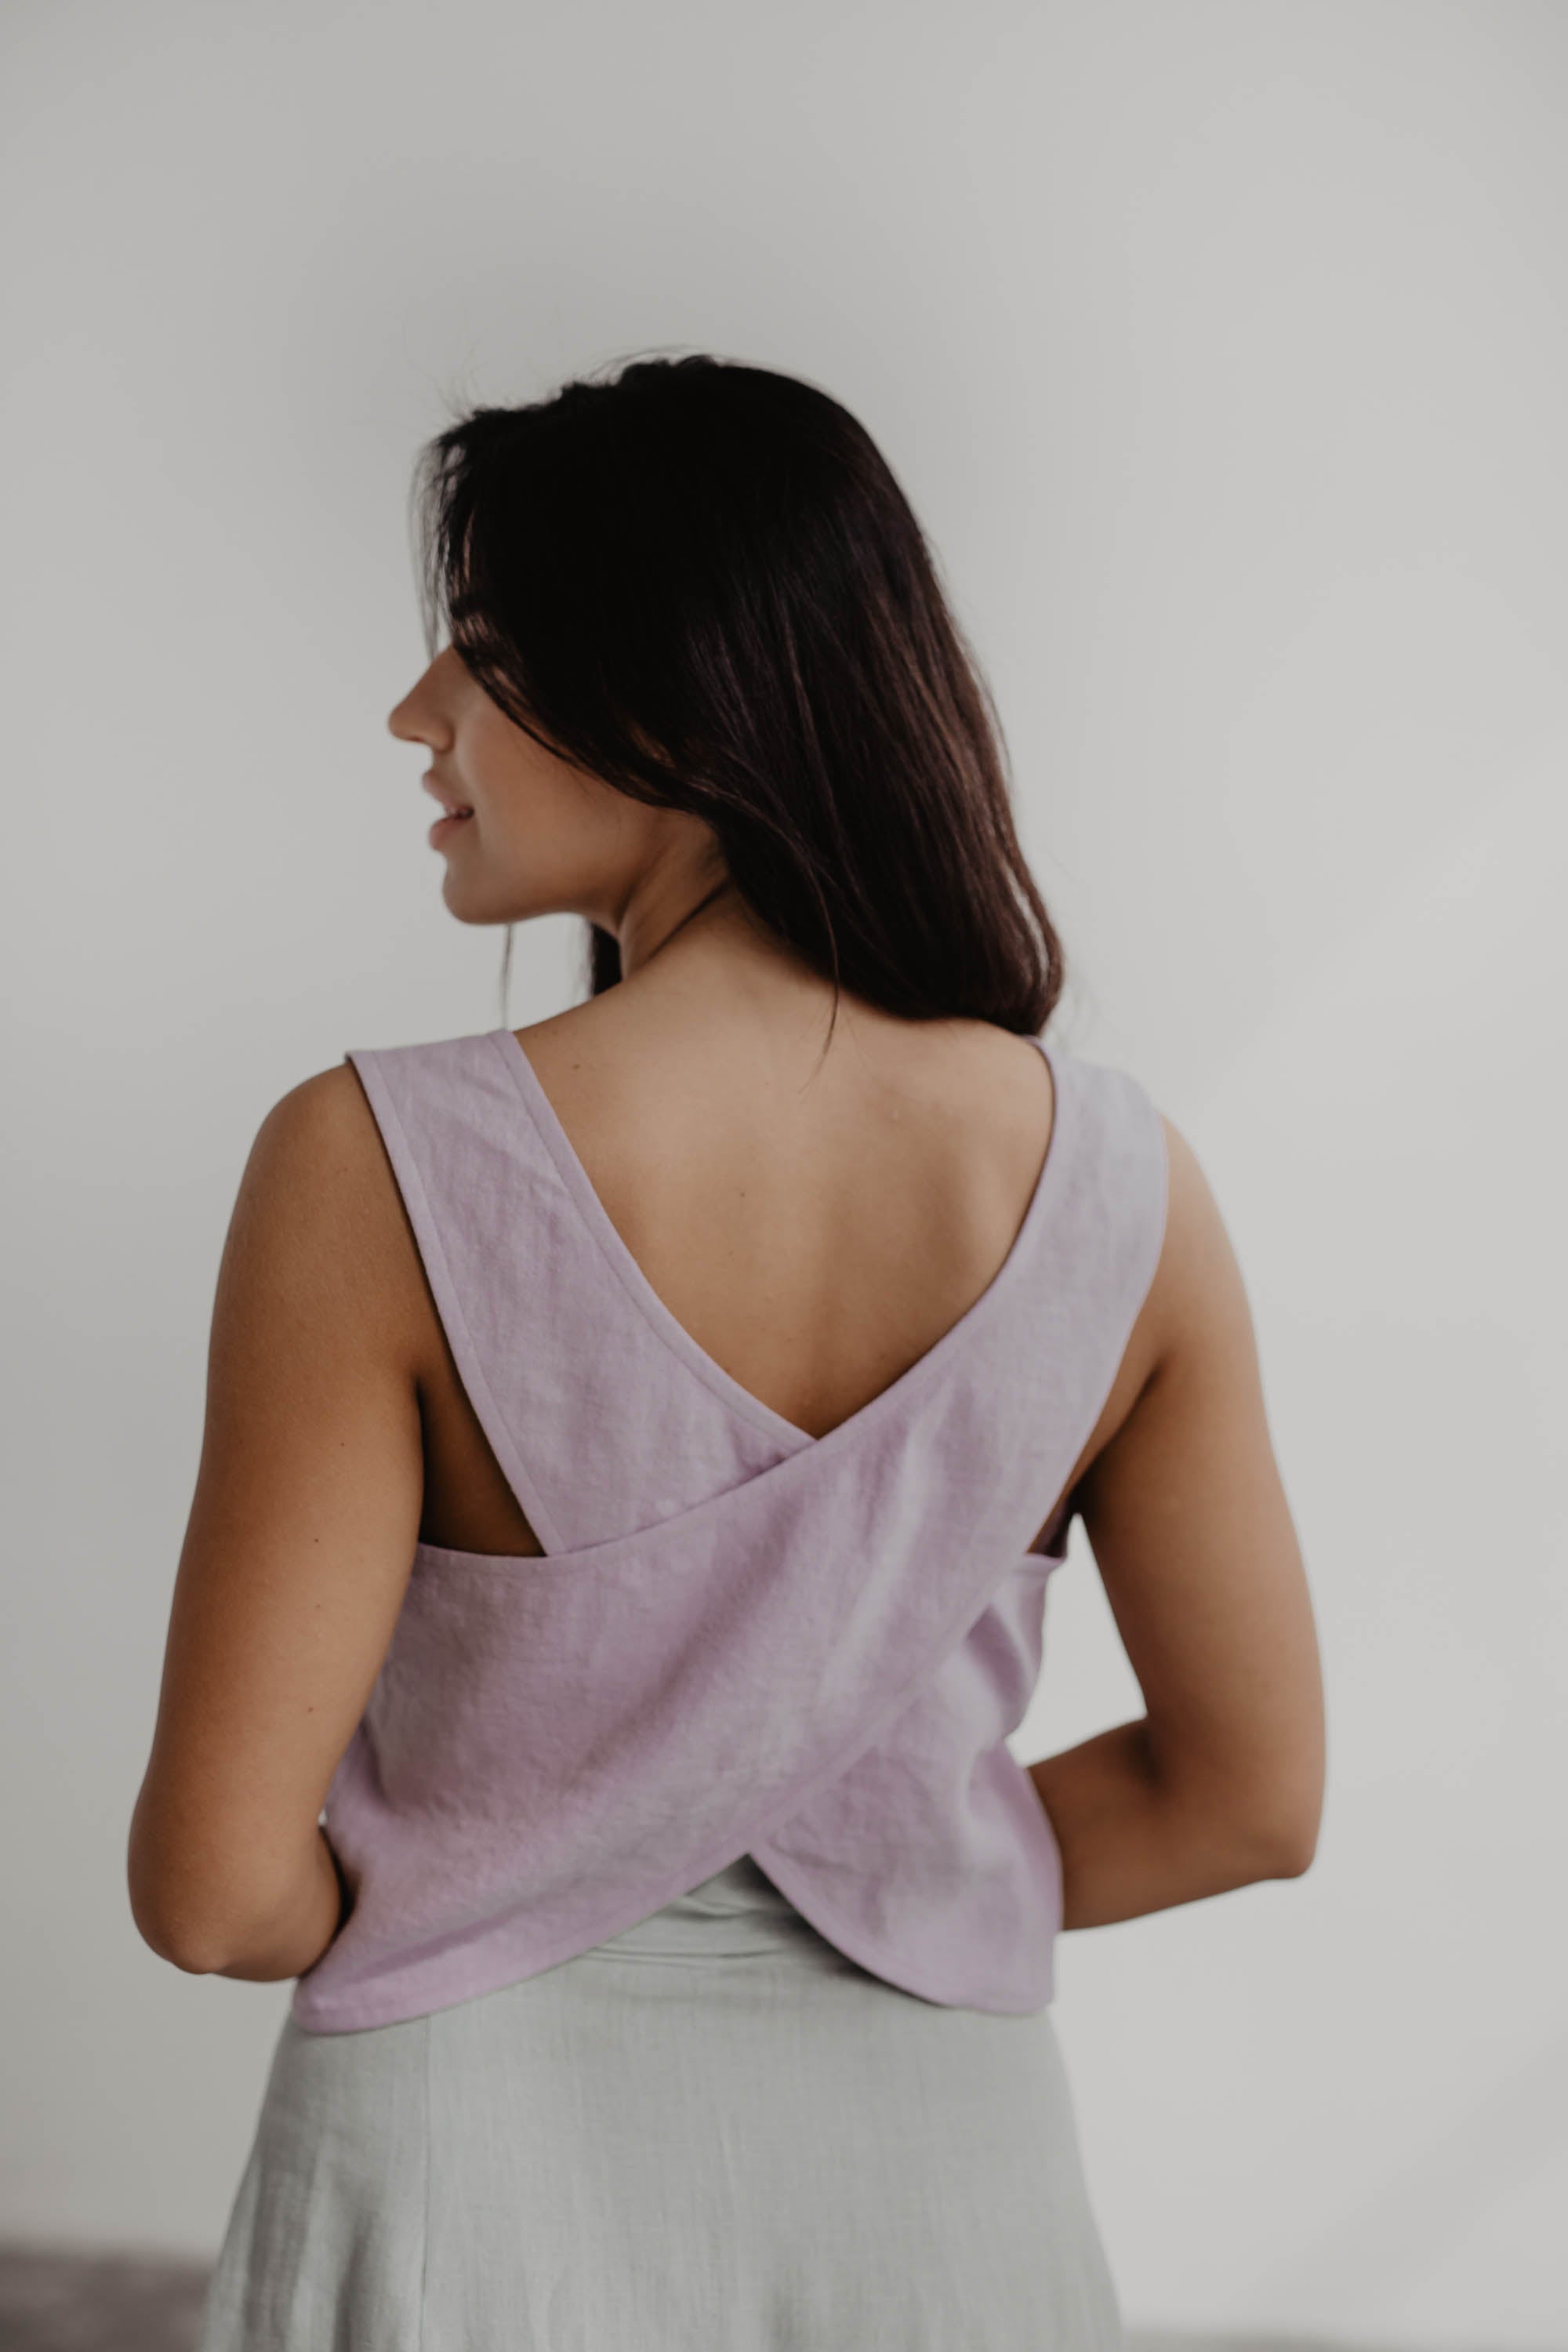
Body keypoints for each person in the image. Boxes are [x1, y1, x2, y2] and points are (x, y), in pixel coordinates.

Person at [127, 353, 1324, 2350]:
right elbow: (1246, 1802)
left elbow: (217, 1892)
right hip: (946, 2197)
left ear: (677, 694)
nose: (417, 715)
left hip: (460, 2178)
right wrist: (900, 1870)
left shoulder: (372, 1166)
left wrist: (501, 1883)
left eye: (487, 655)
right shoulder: (1128, 1193)